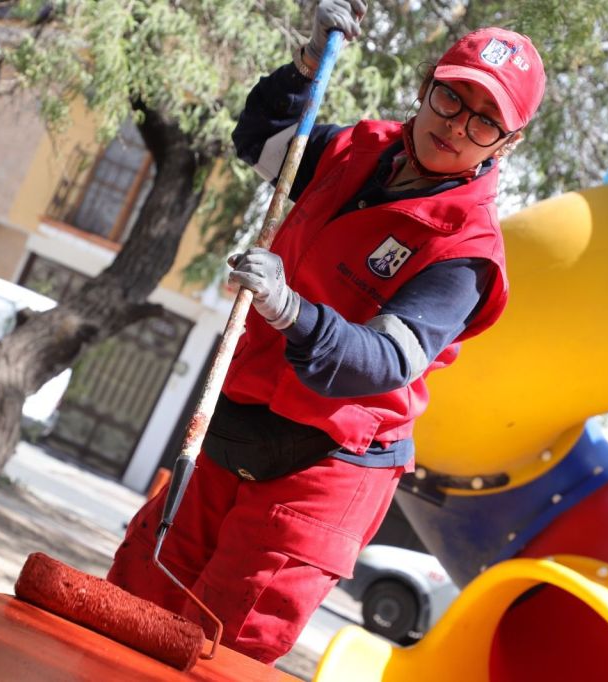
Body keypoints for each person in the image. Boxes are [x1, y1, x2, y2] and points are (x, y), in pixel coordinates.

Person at [107, 0, 547, 664]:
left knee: (216, 652)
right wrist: (308, 65)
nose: (457, 125)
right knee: (130, 599)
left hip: (326, 468)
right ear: (425, 86)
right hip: (237, 423)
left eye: (486, 121)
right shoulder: (355, 150)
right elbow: (261, 139)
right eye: (452, 98)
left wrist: (291, 309)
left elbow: (384, 360)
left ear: (507, 144)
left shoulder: (467, 251)